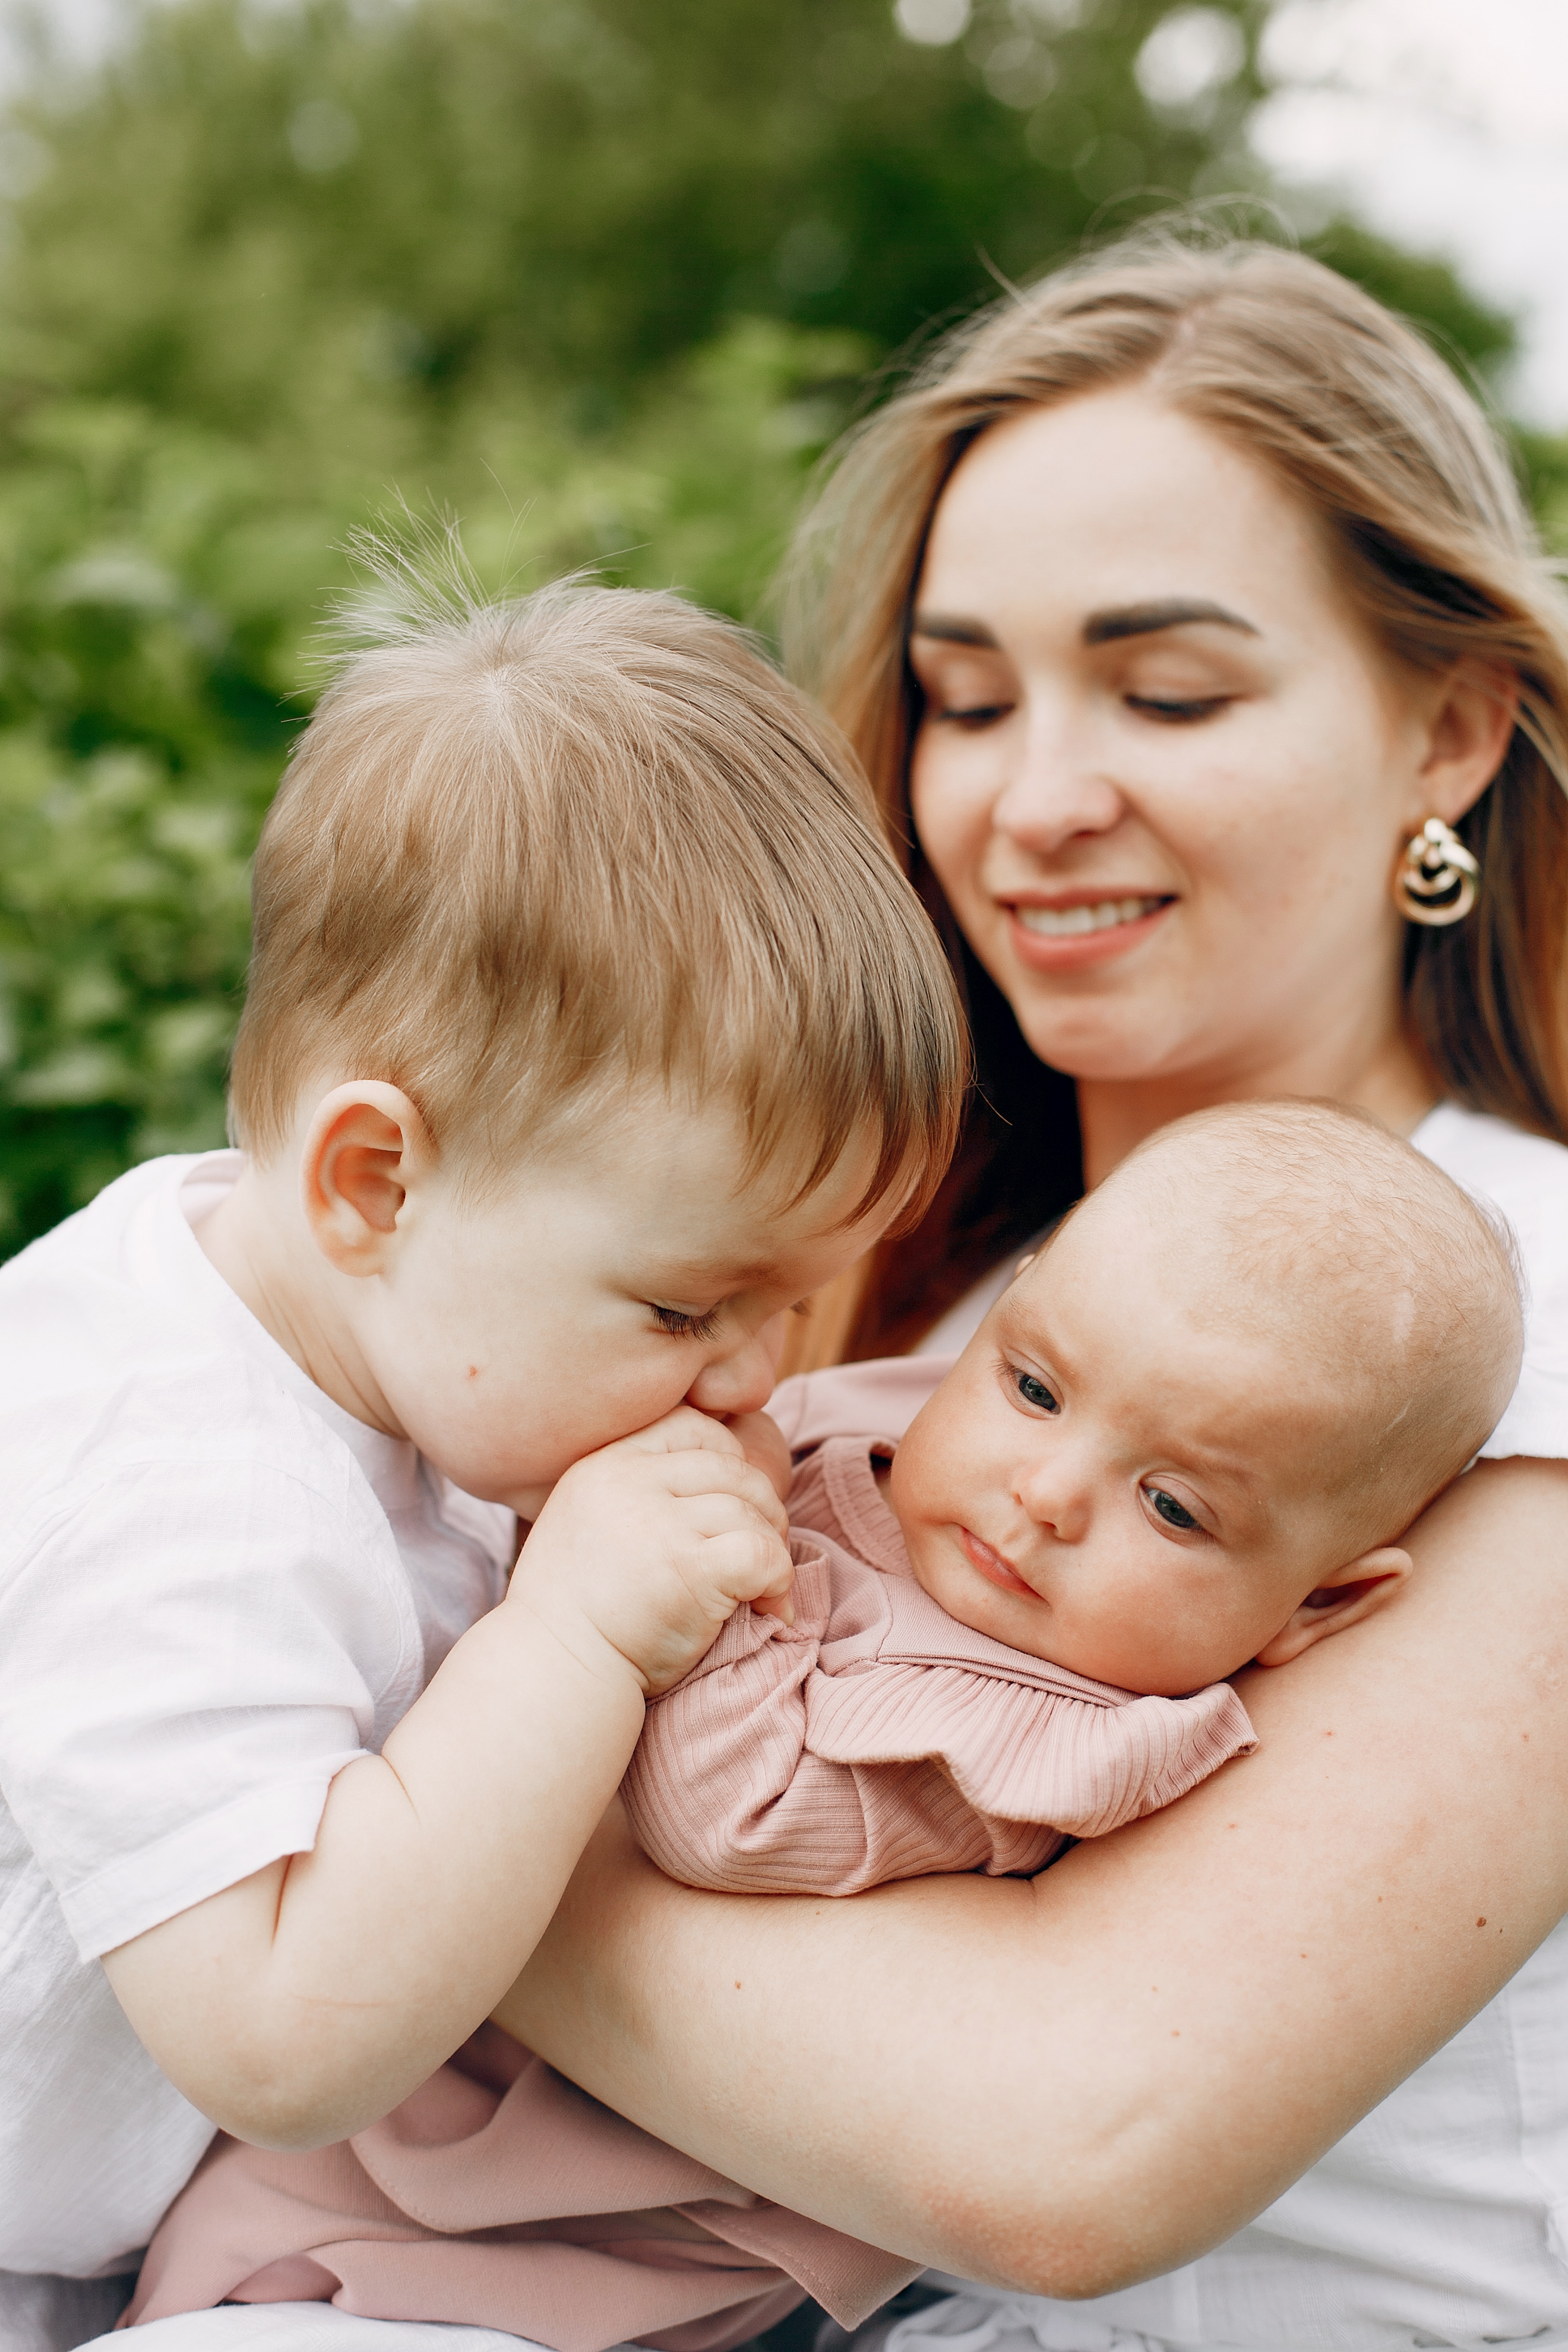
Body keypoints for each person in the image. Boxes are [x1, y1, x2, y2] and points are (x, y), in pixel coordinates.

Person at [459, 232, 1568, 2352]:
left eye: (1169, 693)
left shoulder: (1535, 1307)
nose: (1033, 802)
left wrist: (346, 1858)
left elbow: (1068, 2146)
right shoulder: (910, 1308)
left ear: (1450, 730)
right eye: (968, 700)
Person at [121, 1098, 1522, 2351]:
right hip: (385, 2118)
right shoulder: (905, 1445)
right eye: (1033, 1386)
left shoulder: (1051, 1734)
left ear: (1321, 1603)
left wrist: (644, 1579)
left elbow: (725, 1817)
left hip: (522, 2258)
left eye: (1173, 1506)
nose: (1046, 1491)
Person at [0, 567, 967, 2352]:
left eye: (795, 1302)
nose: (758, 1374)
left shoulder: (391, 1331)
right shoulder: (166, 1489)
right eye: (689, 1310)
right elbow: (283, 2036)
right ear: (372, 1179)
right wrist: (581, 1633)